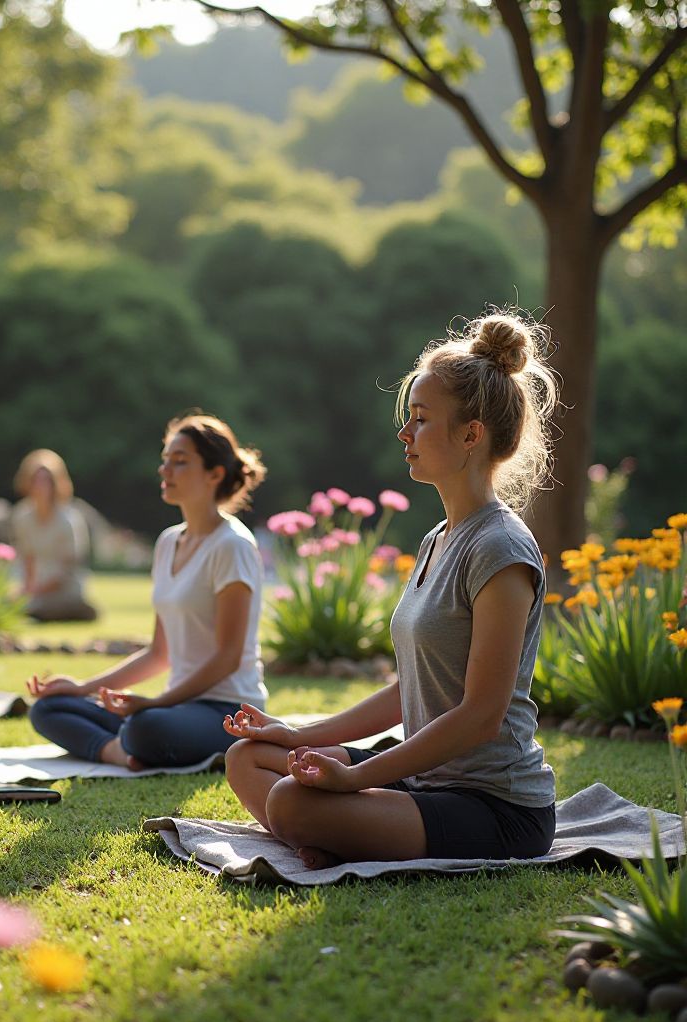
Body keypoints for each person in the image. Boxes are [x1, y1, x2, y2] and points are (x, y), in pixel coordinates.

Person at [223, 313, 559, 868]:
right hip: (421, 779)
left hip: (494, 806)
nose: (405, 433)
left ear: (471, 434)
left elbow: (482, 715)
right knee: (250, 758)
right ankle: (338, 835)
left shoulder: (501, 549)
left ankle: (331, 832)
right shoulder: (438, 539)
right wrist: (297, 733)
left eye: (422, 420)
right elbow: (411, 689)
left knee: (291, 800)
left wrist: (355, 777)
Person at [26, 414, 268, 769]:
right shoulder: (168, 542)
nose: (165, 470)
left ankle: (125, 743)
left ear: (215, 474)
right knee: (49, 707)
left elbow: (228, 657)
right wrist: (81, 687)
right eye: (165, 459)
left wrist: (157, 703)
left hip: (227, 712)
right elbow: (159, 653)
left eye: (180, 462)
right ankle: (116, 751)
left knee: (145, 727)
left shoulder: (232, 546)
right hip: (177, 707)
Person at [10, 449, 97, 622]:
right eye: (36, 480)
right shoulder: (22, 516)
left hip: (63, 590)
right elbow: (27, 558)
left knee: (46, 606)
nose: (41, 486)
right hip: (36, 590)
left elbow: (66, 570)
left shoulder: (68, 520)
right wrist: (28, 589)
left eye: (46, 481)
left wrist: (36, 591)